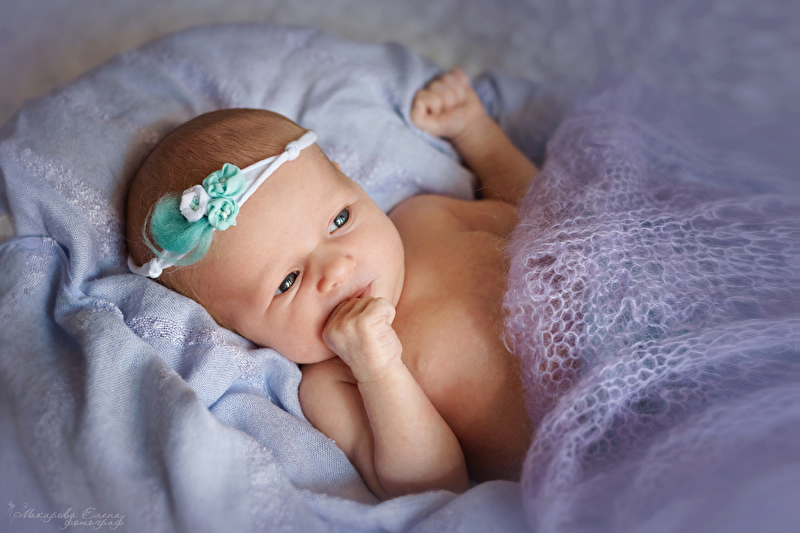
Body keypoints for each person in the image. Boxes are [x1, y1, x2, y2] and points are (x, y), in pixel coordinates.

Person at [126, 68, 537, 500]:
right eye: (287, 281)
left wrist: (475, 133)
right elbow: (435, 483)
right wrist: (379, 371)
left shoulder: (427, 219)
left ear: (353, 182)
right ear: (236, 330)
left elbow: (538, 206)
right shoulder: (333, 384)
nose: (336, 270)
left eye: (339, 220)